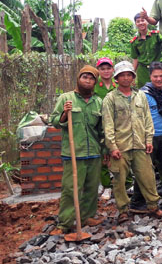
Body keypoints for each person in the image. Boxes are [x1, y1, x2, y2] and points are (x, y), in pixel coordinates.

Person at [102, 61, 162, 223]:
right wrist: (112, 146)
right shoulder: (110, 98)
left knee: (147, 176)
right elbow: (108, 124)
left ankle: (153, 205)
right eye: (122, 75)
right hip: (121, 147)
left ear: (133, 77)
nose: (126, 78)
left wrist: (149, 139)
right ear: (117, 78)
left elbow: (148, 120)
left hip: (140, 145)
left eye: (129, 75)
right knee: (120, 179)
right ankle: (123, 210)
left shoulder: (140, 96)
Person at [49, 65, 104, 235]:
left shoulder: (98, 101)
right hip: (73, 152)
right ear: (78, 79)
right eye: (84, 77)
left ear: (95, 82)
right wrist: (65, 113)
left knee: (92, 187)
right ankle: (64, 223)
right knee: (70, 188)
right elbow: (55, 121)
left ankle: (87, 216)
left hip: (94, 152)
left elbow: (102, 129)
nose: (87, 81)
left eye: (91, 78)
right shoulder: (67, 98)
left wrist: (106, 149)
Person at [130, 62, 162, 210]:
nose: (158, 79)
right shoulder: (143, 94)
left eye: (161, 76)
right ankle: (138, 201)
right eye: (155, 76)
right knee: (144, 168)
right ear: (150, 77)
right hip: (148, 136)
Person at [94, 57, 117, 200]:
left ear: (112, 69)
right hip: (100, 125)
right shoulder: (94, 86)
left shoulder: (118, 84)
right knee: (103, 157)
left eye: (108, 68)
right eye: (102, 69)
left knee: (120, 155)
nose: (106, 71)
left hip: (118, 126)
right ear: (98, 70)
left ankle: (125, 185)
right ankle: (107, 186)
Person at [131, 13, 162, 88]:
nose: (141, 23)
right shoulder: (134, 42)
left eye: (143, 20)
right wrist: (132, 75)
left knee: (160, 90)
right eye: (138, 21)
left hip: (157, 68)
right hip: (143, 71)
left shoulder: (156, 35)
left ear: (147, 22)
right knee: (144, 92)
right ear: (135, 24)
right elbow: (135, 58)